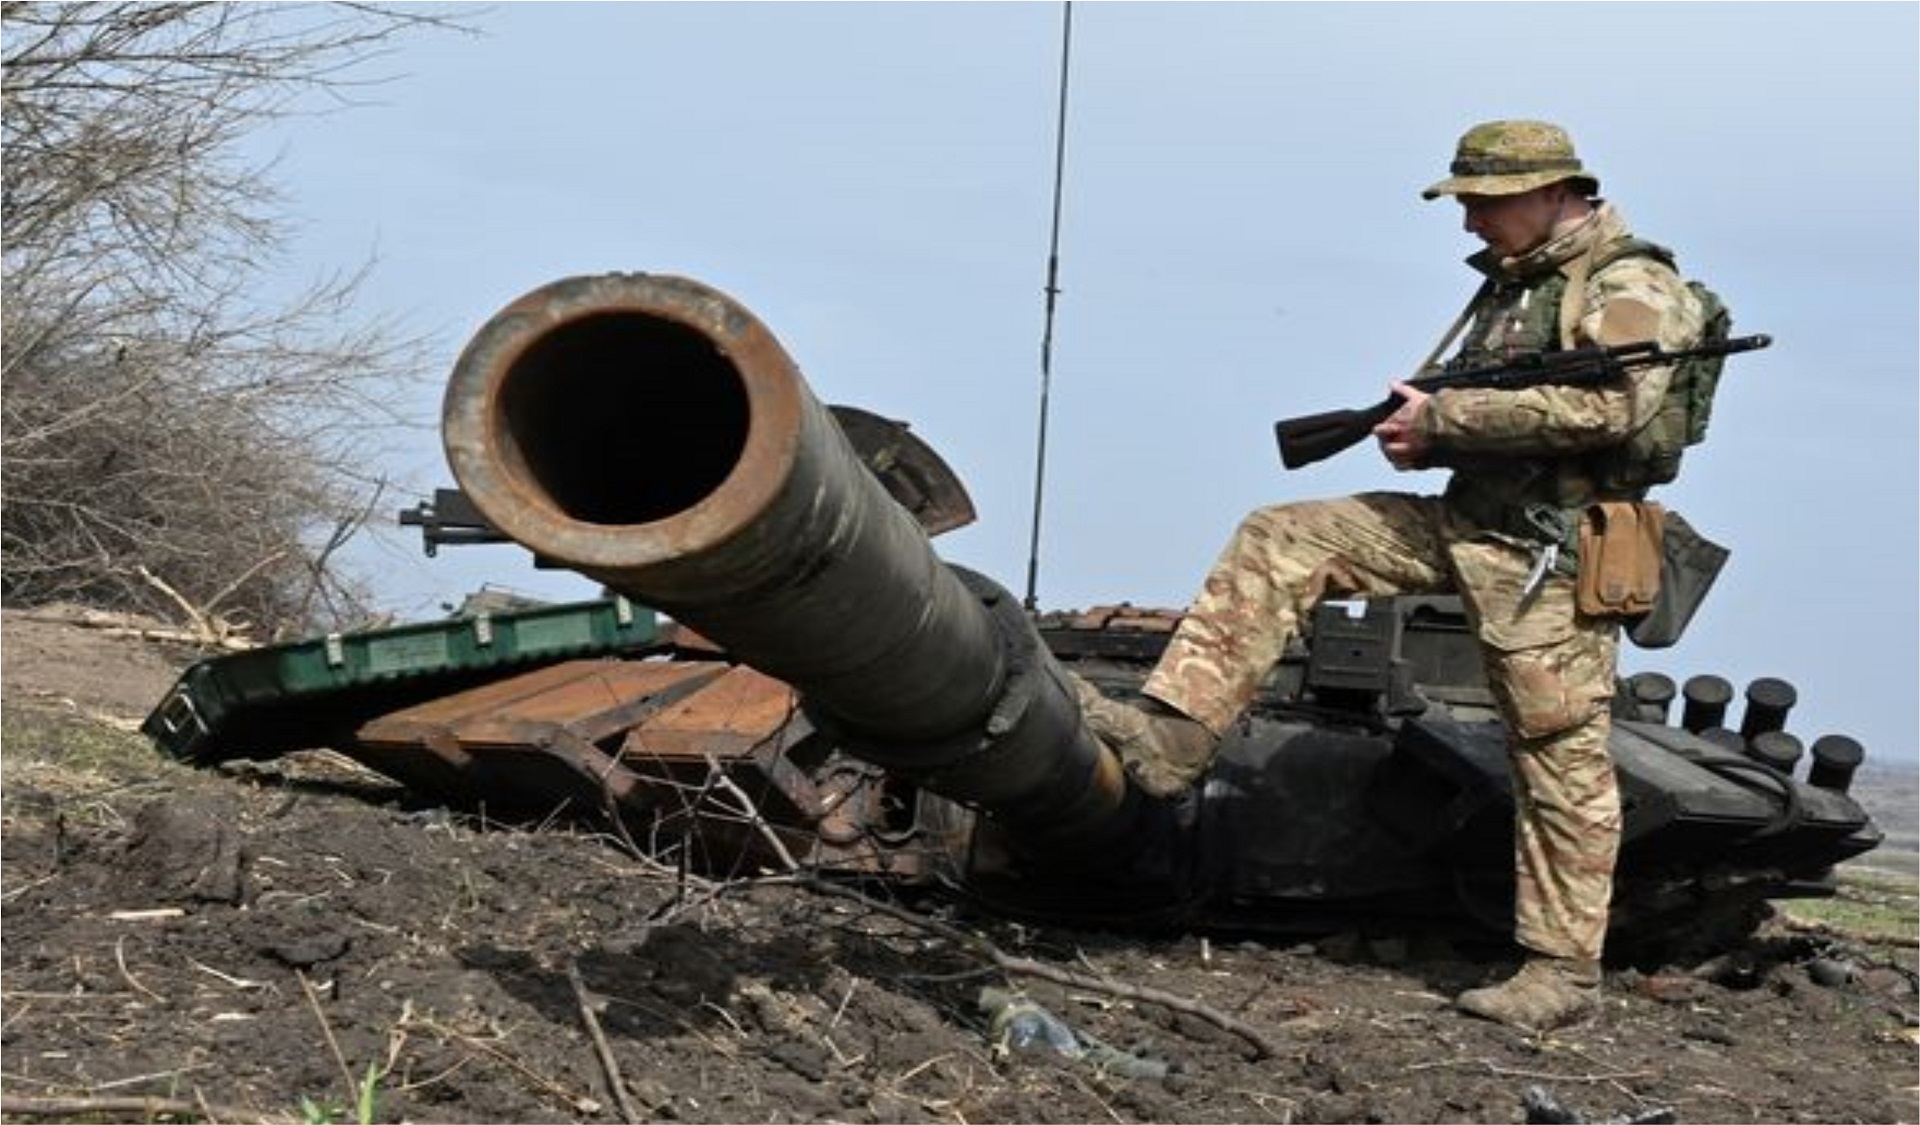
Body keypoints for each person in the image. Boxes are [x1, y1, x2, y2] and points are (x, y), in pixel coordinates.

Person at [1075, 119, 1711, 1031]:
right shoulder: (1514, 287)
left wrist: (1449, 422)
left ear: (1553, 192)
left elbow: (1614, 402)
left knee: (1557, 753)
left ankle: (1561, 974)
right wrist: (1424, 431)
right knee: (1283, 534)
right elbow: (1495, 411)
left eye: (1486, 204)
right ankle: (1174, 739)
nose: (1471, 225)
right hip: (1465, 522)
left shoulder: (1631, 282)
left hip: (1549, 552)